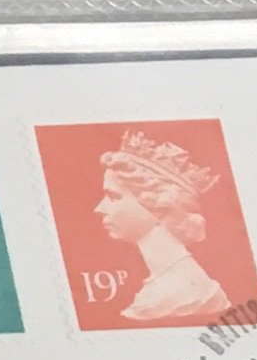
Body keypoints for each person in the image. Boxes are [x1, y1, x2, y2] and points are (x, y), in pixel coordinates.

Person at [94, 131, 236, 324]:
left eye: (113, 197)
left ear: (158, 206)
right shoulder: (166, 283)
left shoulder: (181, 293)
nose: (99, 208)